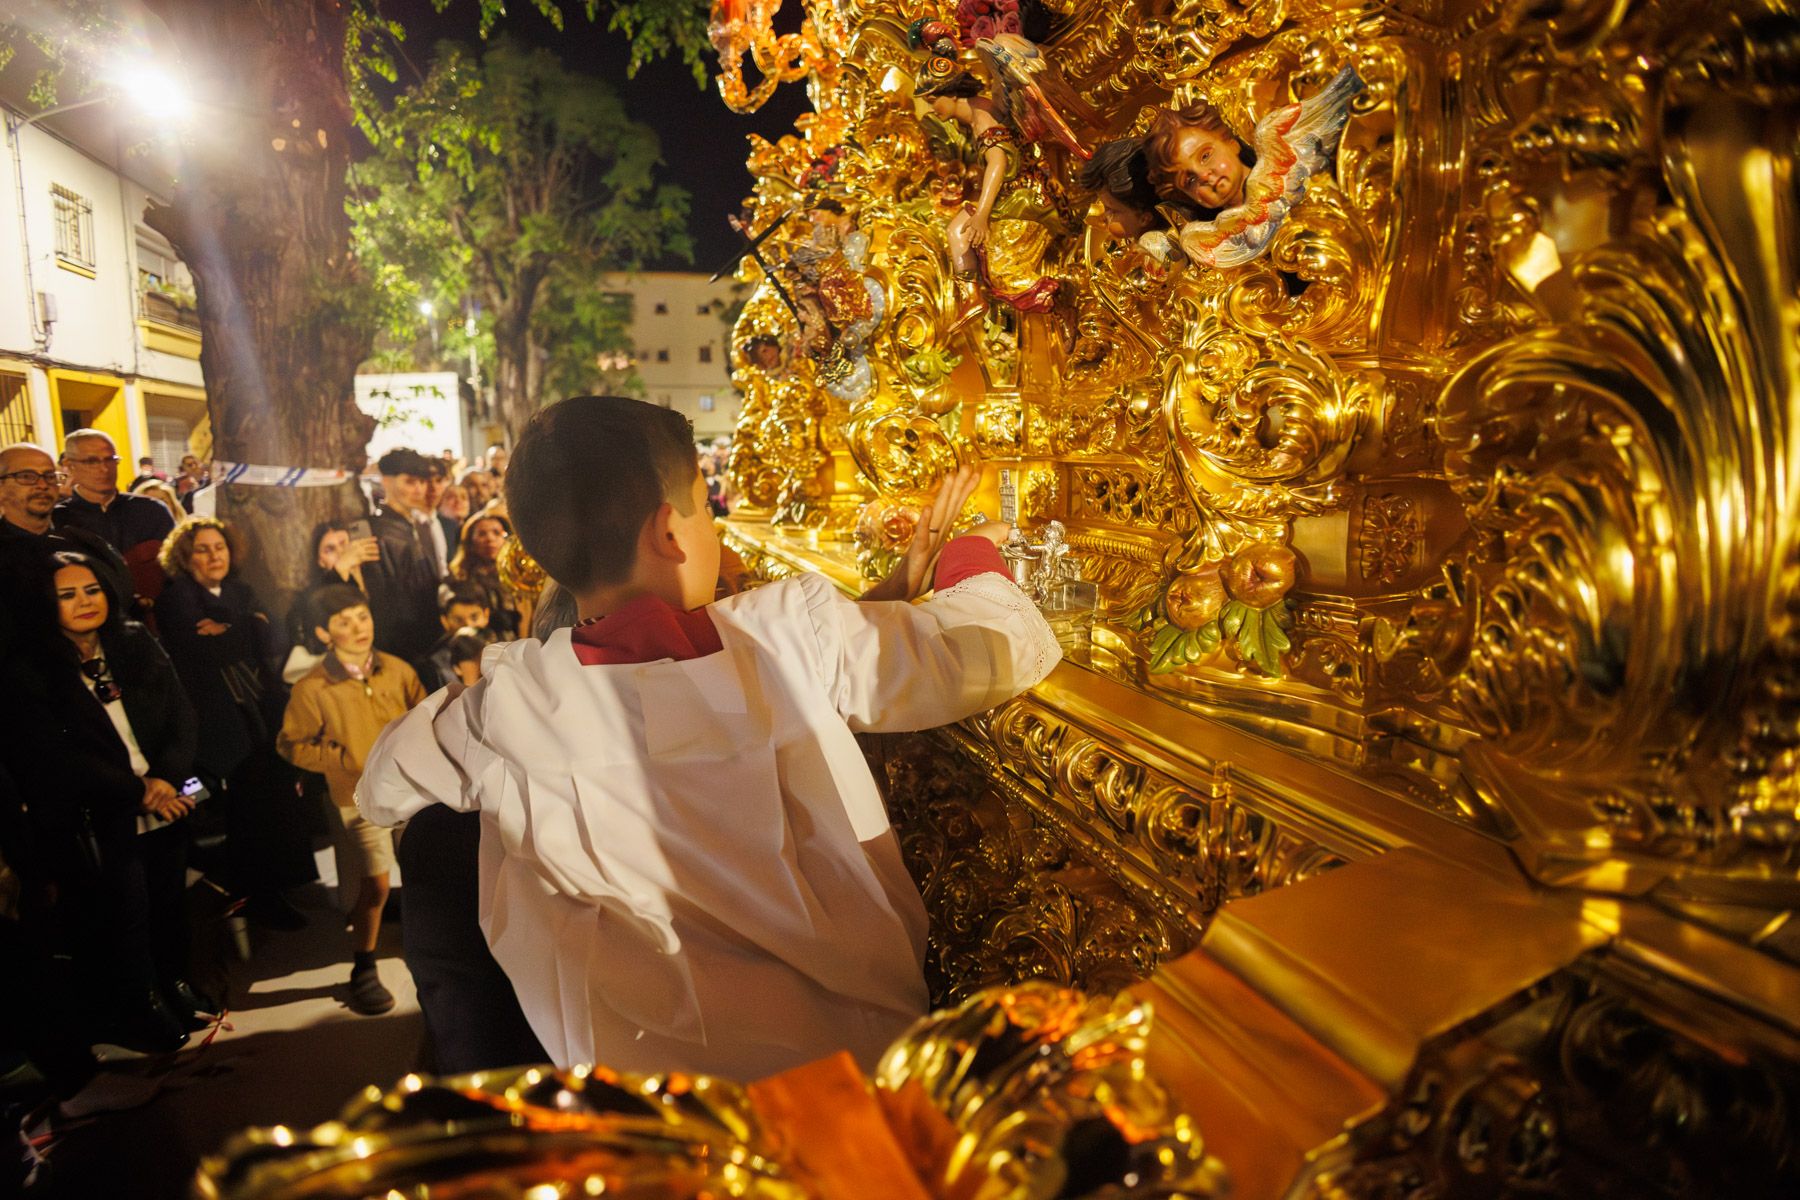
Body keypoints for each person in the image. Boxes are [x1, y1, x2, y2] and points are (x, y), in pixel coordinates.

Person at [360, 395, 1060, 1080]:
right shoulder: (790, 635)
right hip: (845, 1064)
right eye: (708, 508)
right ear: (671, 531)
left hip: (649, 1095)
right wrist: (970, 552)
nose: (715, 529)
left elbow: (381, 787)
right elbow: (991, 645)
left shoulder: (501, 711)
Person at [5, 551, 204, 1053]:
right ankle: (140, 1003)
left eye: (91, 590)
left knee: (169, 900)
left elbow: (182, 716)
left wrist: (166, 778)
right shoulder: (30, 668)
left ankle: (175, 984)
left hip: (166, 796)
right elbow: (52, 753)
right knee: (124, 912)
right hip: (101, 813)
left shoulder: (136, 641)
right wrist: (137, 791)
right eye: (67, 595)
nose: (84, 602)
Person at [155, 516, 314, 930]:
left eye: (219, 547)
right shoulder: (175, 599)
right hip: (220, 721)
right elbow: (205, 652)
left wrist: (230, 629)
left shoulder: (241, 591)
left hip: (259, 710)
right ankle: (256, 896)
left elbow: (273, 638)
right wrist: (246, 626)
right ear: (185, 557)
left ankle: (278, 887)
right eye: (202, 549)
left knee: (273, 802)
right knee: (244, 809)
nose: (213, 556)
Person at [276, 584, 426, 1016]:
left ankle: (424, 944)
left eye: (362, 616)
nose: (357, 628)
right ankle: (363, 964)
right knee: (376, 883)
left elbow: (423, 714)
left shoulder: (396, 670)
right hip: (356, 796)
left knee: (420, 867)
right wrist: (341, 758)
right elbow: (290, 744)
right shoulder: (314, 687)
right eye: (343, 622)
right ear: (324, 633)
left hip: (409, 790)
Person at [0, 442, 137, 609]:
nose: (43, 485)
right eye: (27, 477)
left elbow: (120, 600)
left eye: (50, 476)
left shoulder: (86, 542)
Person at [54, 429, 176, 607]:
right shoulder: (58, 518)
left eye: (110, 459)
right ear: (69, 465)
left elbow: (179, 569)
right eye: (92, 461)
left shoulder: (152, 510)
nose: (104, 469)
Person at [362, 447, 443, 664]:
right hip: (405, 650)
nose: (419, 489)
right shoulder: (382, 533)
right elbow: (389, 604)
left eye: (422, 482)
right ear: (386, 481)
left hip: (426, 642)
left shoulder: (414, 525)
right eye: (409, 481)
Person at [446, 511, 527, 639]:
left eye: (496, 533)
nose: (490, 539)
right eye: (482, 534)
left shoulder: (520, 576)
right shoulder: (459, 579)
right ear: (470, 542)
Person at [417, 582, 492, 690]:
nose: (468, 626)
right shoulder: (435, 667)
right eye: (458, 620)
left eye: (474, 617)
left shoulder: (504, 646)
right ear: (445, 621)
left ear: (486, 614)